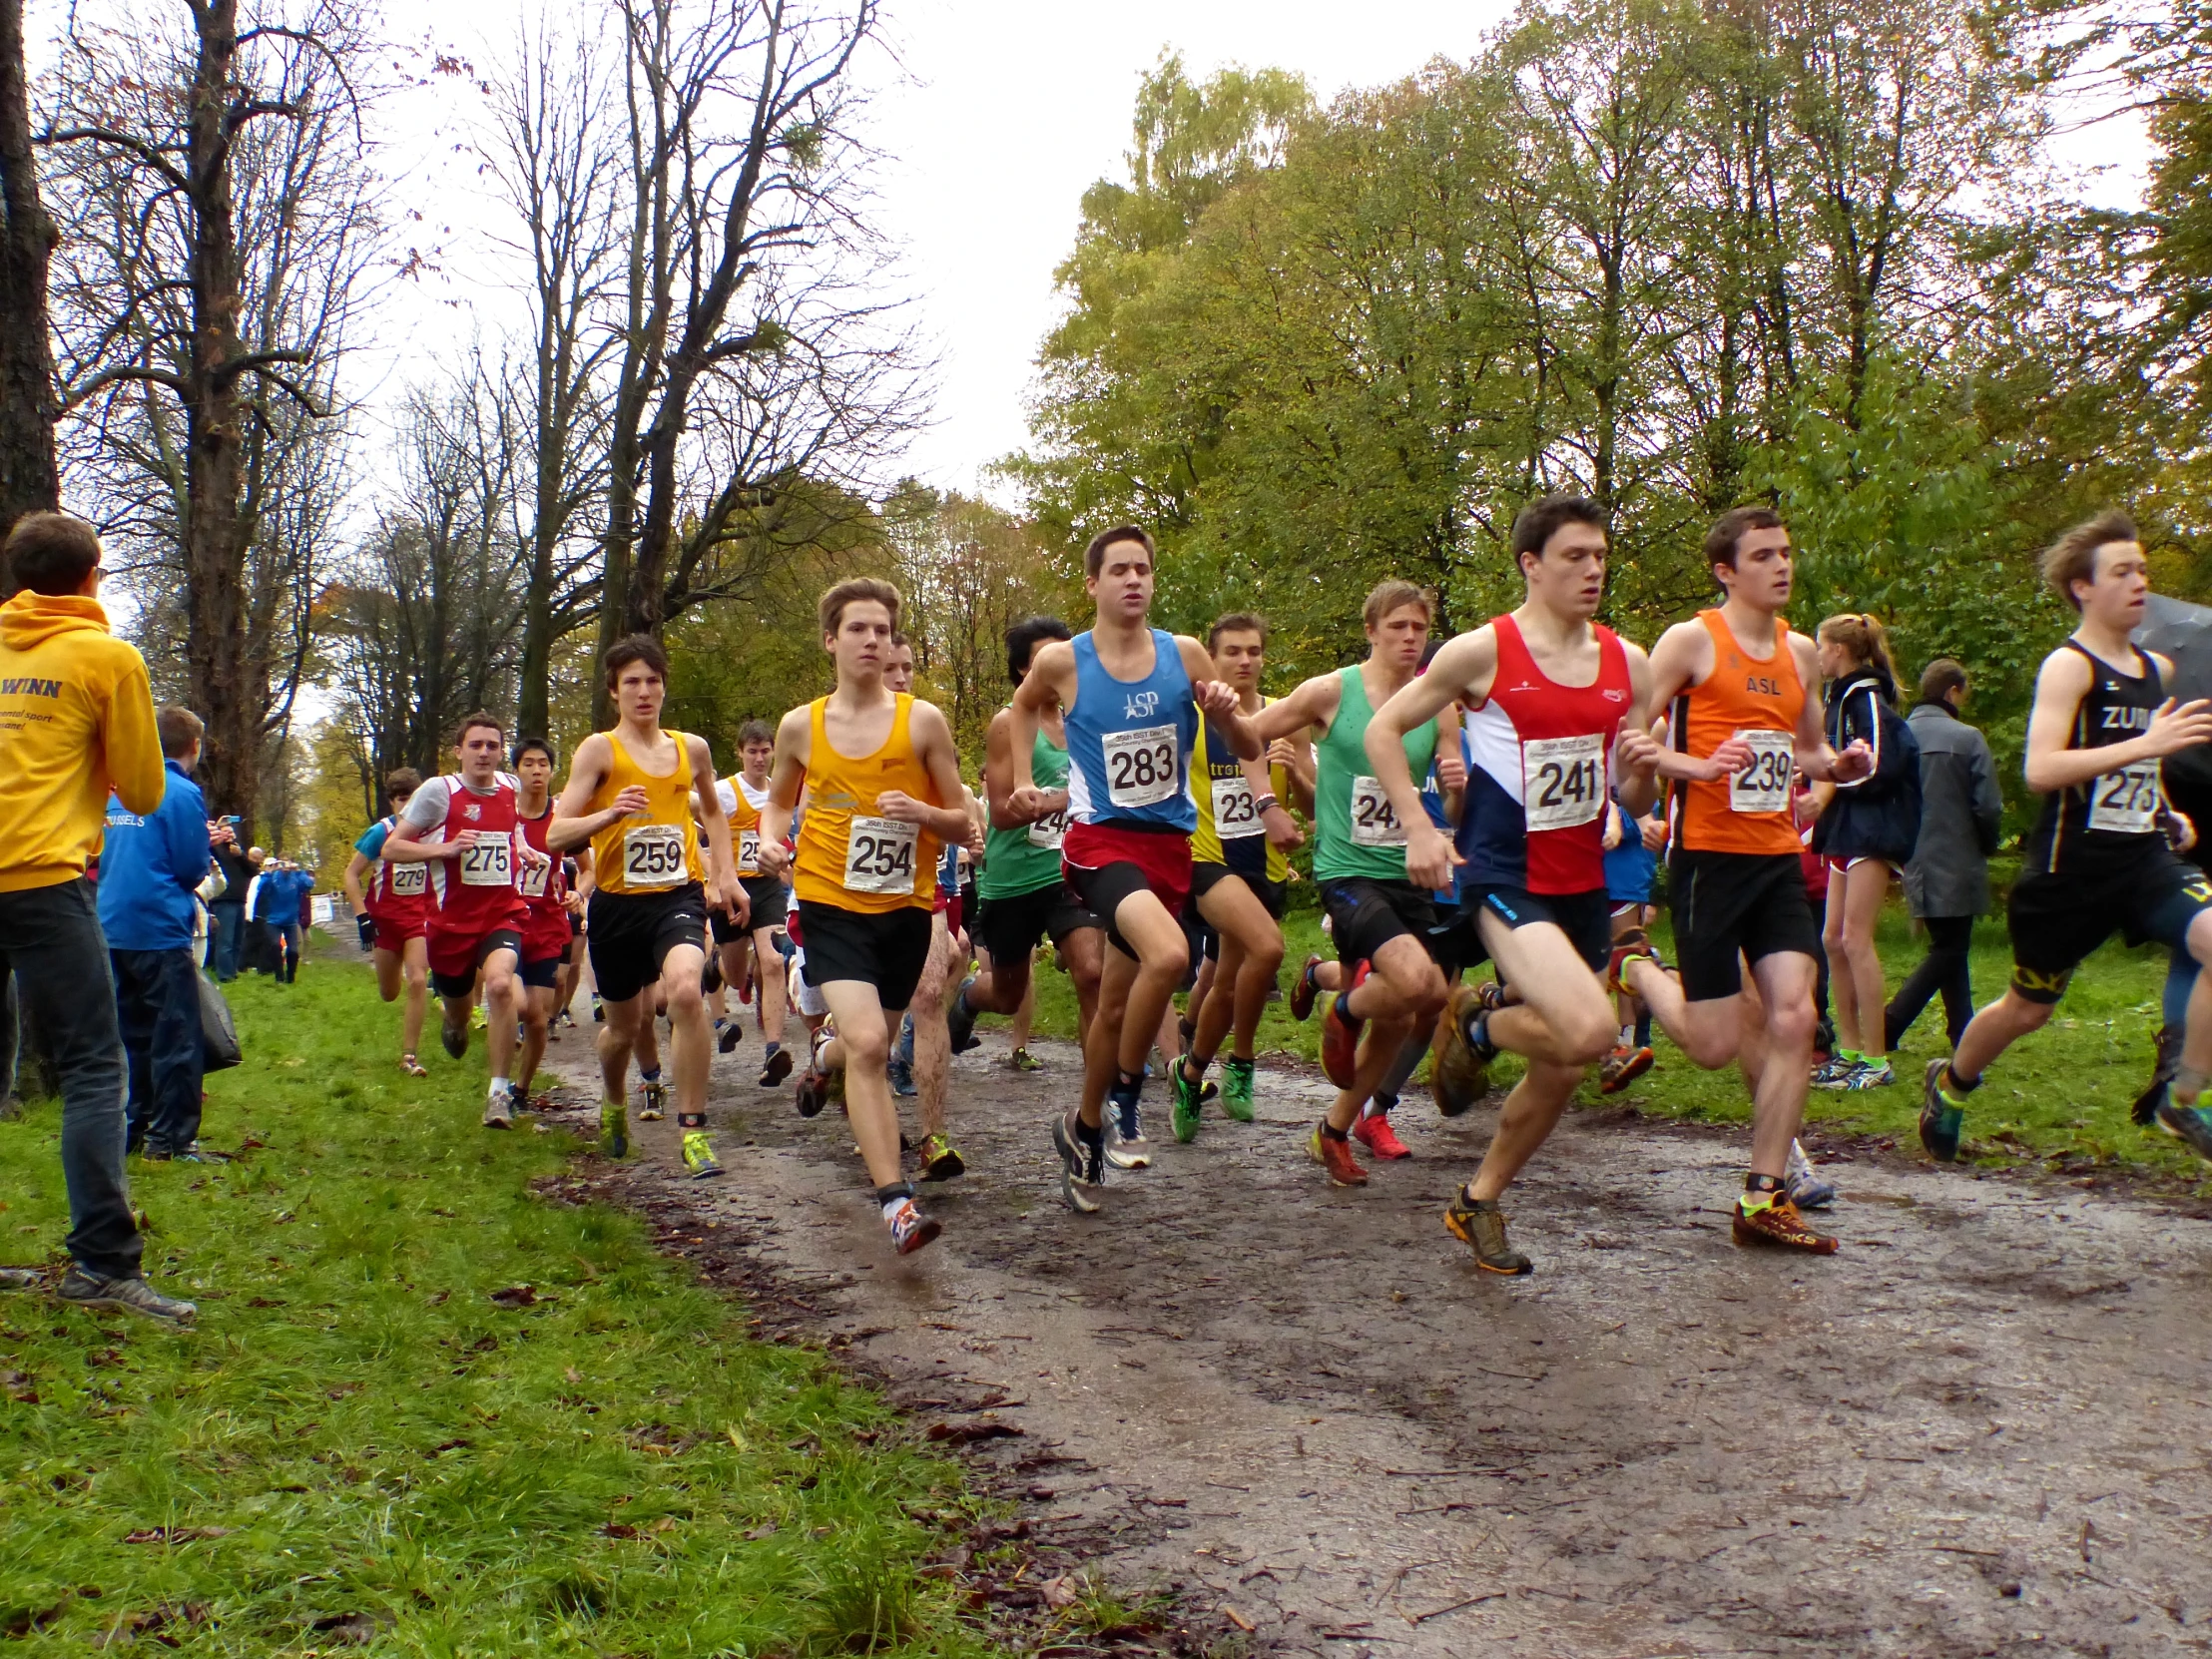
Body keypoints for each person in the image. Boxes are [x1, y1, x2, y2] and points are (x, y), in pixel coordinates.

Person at [1367, 496, 1661, 1272]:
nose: (1593, 569)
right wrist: (1422, 828)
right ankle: (1477, 1024)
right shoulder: (1481, 652)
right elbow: (1382, 730)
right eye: (1574, 556)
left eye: (1600, 554)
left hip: (1582, 884)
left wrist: (1637, 778)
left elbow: (1628, 798)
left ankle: (1479, 1200)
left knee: (1563, 1064)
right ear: (1531, 564)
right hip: (1503, 876)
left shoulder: (1628, 664)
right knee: (1595, 1032)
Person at [1611, 505, 1874, 1254]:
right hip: (1707, 861)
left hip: (1776, 860)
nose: (1782, 566)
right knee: (1713, 1044)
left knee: (1794, 1018)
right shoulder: (1692, 641)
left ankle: (1761, 1198)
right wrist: (1695, 767)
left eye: (1786, 552)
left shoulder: (1800, 654)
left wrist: (1838, 767)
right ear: (1726, 570)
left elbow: (1809, 749)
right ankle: (1635, 965)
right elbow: (1631, 737)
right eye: (1763, 556)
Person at [1923, 511, 2212, 1165]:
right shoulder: (2068, 667)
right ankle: (1952, 1084)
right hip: (2071, 873)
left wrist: (2165, 807)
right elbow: (2041, 769)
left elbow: (2136, 760)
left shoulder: (2155, 670)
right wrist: (2149, 743)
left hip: (2143, 859)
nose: (2141, 582)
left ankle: (2186, 1095)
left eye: (2143, 569)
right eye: (2123, 572)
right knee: (2026, 1010)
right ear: (2083, 588)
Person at [1009, 529, 1257, 1210]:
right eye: (1118, 569)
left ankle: (1084, 1131)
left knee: (1116, 1005)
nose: (1133, 580)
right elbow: (1022, 706)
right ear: (1092, 584)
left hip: (1168, 848)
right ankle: (1126, 1090)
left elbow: (1250, 744)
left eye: (1143, 569)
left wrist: (1229, 718)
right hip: (1098, 843)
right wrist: (1017, 780)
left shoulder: (1185, 654)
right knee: (1171, 954)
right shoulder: (1065, 660)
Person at [0, 511, 190, 1326]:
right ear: (90, 578)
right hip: (43, 878)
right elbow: (146, 792)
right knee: (93, 1069)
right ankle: (103, 1266)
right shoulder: (108, 657)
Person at [758, 579, 972, 1253]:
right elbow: (775, 801)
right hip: (829, 904)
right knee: (875, 1050)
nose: (873, 640)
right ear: (831, 639)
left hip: (904, 911)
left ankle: (823, 1056)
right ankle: (897, 1204)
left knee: (862, 1045)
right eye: (859, 629)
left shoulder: (922, 722)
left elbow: (965, 823)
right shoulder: (802, 725)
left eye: (882, 629)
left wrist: (925, 815)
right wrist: (769, 839)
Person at [1245, 580, 1449, 1188]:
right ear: (1371, 631)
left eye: (1419, 628)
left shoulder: (1436, 703)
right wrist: (1266, 804)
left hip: (1409, 873)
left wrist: (1457, 791)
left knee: (1416, 1008)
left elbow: (1452, 791)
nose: (1410, 639)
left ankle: (1332, 1130)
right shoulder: (1332, 691)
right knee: (1417, 984)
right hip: (1348, 872)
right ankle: (1345, 1005)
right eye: (1398, 628)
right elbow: (1246, 736)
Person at [550, 637, 743, 1178]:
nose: (644, 691)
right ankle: (614, 1099)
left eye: (653, 680)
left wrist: (725, 875)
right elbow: (555, 832)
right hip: (615, 907)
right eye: (631, 682)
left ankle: (694, 1131)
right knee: (623, 1030)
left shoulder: (692, 749)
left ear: (664, 687)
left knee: (685, 990)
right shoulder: (598, 751)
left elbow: (716, 812)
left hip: (676, 897)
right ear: (614, 692)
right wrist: (608, 815)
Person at [944, 618, 1106, 1096]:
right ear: (1023, 668)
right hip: (1013, 879)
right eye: (1046, 656)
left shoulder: (1088, 719)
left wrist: (1067, 803)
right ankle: (969, 998)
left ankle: (1099, 1096)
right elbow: (1001, 813)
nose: (1061, 664)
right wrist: (1060, 800)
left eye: (1067, 653)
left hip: (1070, 869)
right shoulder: (1006, 725)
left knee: (1092, 973)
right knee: (1008, 995)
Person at [1167, 613, 1300, 1141]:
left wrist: (1303, 772)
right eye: (1232, 653)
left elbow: (1309, 801)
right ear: (1212, 661)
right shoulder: (1192, 719)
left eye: (1254, 651)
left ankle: (1191, 1071)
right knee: (1267, 950)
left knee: (1225, 980)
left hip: (1264, 865)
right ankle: (1242, 1063)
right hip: (1206, 857)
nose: (1245, 661)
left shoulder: (1288, 715)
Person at [383, 712, 548, 1130]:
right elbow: (392, 849)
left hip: (502, 913)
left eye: (493, 745)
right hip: (449, 925)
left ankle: (498, 1093)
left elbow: (513, 832)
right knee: (459, 1011)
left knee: (499, 985)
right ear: (458, 751)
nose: (484, 753)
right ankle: (454, 1024)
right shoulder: (439, 792)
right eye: (476, 745)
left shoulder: (512, 788)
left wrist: (523, 849)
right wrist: (445, 849)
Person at [98, 704, 220, 1162]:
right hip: (160, 927)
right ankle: (172, 1139)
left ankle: (135, 1127)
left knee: (134, 1034)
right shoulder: (181, 792)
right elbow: (190, 868)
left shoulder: (118, 788)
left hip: (113, 925)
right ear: (194, 746)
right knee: (177, 1035)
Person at [1809, 613, 1921, 1089]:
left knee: (1856, 939)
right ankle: (1850, 1050)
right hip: (1844, 830)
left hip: (1871, 831)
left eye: (1820, 646)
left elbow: (1877, 766)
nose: (1816, 655)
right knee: (1833, 939)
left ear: (1838, 650)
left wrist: (1837, 778)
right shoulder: (1836, 699)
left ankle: (1877, 1061)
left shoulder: (1865, 698)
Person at [1885, 659, 2001, 1054]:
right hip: (1957, 856)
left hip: (1912, 855)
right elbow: (1987, 806)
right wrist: (1986, 845)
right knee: (1949, 949)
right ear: (1952, 691)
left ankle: (1962, 1035)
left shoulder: (1896, 735)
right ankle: (1891, 1023)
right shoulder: (1968, 739)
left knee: (1951, 946)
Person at [713, 719, 794, 1085]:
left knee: (774, 959)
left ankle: (772, 1049)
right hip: (733, 889)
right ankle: (715, 961)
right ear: (740, 753)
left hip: (767, 888)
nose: (759, 759)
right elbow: (698, 830)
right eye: (752, 752)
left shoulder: (781, 792)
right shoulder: (726, 792)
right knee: (733, 974)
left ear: (773, 752)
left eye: (765, 751)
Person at [343, 768, 433, 1077]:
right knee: (389, 993)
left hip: (418, 920)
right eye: (401, 800)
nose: (407, 806)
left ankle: (409, 1055)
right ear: (392, 802)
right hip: (384, 922)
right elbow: (351, 874)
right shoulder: (381, 832)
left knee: (419, 980)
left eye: (413, 799)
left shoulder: (432, 830)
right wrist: (362, 916)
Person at [513, 739, 581, 1107]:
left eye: (542, 764)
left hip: (545, 920)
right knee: (517, 1003)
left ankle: (521, 1088)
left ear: (552, 772)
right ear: (517, 771)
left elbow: (589, 870)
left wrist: (579, 894)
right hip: (505, 918)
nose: (536, 770)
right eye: (528, 764)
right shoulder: (504, 815)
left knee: (537, 1017)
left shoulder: (562, 818)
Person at [209, 825, 250, 982]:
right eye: (226, 831)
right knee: (225, 940)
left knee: (237, 939)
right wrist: (217, 840)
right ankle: (224, 975)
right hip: (224, 899)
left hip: (240, 899)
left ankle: (233, 971)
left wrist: (240, 856)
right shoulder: (216, 849)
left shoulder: (236, 851)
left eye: (231, 832)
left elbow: (251, 871)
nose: (229, 834)